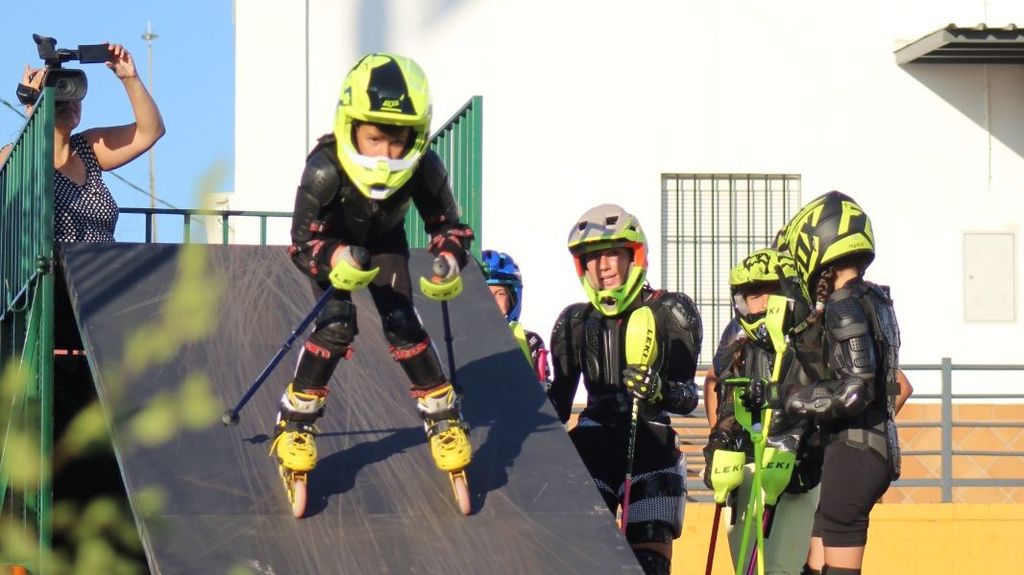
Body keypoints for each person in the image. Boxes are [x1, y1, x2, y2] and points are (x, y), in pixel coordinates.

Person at [272, 53, 475, 482]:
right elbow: (301, 242)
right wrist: (332, 257)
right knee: (336, 324)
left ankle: (444, 417)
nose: (385, 154)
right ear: (351, 126)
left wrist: (449, 260)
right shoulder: (324, 167)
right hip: (331, 243)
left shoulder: (424, 166)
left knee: (402, 321)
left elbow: (450, 227)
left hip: (384, 241)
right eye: (375, 138)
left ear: (416, 136)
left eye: (397, 140)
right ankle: (295, 422)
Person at [547, 204, 701, 575]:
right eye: (593, 258)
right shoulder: (573, 321)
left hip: (651, 444)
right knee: (583, 560)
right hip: (592, 445)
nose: (603, 267)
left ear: (634, 256)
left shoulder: (672, 310)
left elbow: (688, 397)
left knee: (648, 564)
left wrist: (657, 389)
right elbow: (558, 404)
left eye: (612, 254)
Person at [778, 191, 903, 575]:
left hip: (856, 451)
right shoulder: (876, 299)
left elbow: (854, 389)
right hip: (867, 448)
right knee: (814, 568)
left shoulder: (843, 302)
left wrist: (788, 398)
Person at [702, 248, 822, 575]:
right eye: (753, 295)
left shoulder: (811, 334)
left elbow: (833, 394)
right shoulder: (735, 335)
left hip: (796, 468)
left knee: (782, 568)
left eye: (771, 292)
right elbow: (723, 388)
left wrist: (799, 432)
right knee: (748, 569)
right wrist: (720, 439)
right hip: (748, 467)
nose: (763, 303)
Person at [6, 43, 165, 242]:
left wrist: (130, 78)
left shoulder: (87, 148)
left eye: (73, 94)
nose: (68, 102)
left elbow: (150, 131)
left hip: (107, 267)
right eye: (57, 95)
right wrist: (33, 106)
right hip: (59, 270)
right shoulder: (18, 155)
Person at [480, 249, 550, 384]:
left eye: (500, 293)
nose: (491, 301)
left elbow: (545, 394)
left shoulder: (530, 342)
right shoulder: (455, 342)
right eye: (483, 293)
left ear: (512, 298)